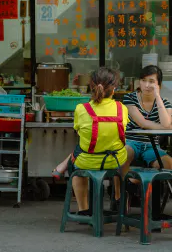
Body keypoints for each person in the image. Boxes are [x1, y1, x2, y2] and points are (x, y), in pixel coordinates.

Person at [52, 67, 129, 215]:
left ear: (91, 87)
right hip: (115, 161)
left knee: (77, 157)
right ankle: (119, 197)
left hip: (87, 161)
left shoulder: (81, 109)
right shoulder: (122, 108)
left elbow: (79, 131)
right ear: (114, 89)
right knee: (121, 152)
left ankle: (83, 209)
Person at [123, 65, 172, 171]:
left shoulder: (165, 103)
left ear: (159, 84)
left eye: (151, 81)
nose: (146, 85)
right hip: (131, 142)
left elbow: (166, 123)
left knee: (168, 163)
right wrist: (165, 127)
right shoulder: (129, 98)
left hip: (152, 145)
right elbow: (142, 123)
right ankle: (119, 188)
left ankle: (154, 186)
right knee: (123, 156)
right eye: (143, 80)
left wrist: (158, 96)